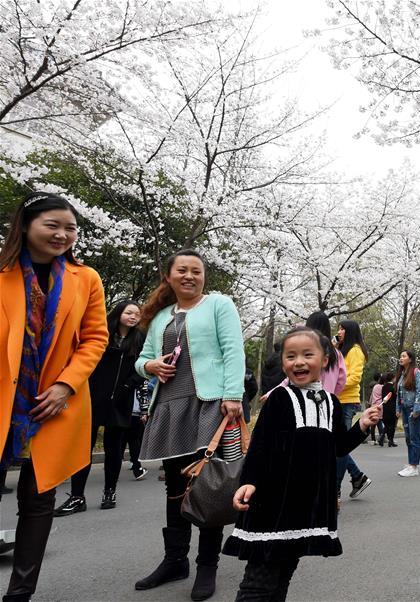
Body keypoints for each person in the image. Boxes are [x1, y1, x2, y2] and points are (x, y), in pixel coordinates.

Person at [0, 192, 108, 602]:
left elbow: (96, 337)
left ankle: (19, 594)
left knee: (38, 498)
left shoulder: (87, 279)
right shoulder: (3, 271)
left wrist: (67, 384)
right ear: (26, 226)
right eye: (53, 225)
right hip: (4, 400)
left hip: (55, 403)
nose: (63, 234)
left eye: (71, 228)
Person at [223, 326, 381, 601]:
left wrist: (362, 425)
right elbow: (259, 445)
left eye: (308, 354)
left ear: (325, 360)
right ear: (283, 362)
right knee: (259, 580)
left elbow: (339, 447)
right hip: (272, 503)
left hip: (305, 506)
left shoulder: (331, 402)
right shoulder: (279, 399)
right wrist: (248, 481)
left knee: (284, 572)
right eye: (290, 356)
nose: (298, 362)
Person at [133, 249, 245, 601]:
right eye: (181, 270)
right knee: (175, 487)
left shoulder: (218, 305)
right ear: (169, 276)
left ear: (203, 277)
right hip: (168, 407)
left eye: (196, 271)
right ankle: (175, 560)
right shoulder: (161, 315)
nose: (189, 276)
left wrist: (233, 394)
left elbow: (233, 350)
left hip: (210, 404)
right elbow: (142, 359)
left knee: (208, 485)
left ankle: (206, 566)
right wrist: (150, 367)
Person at [54, 299, 146, 517]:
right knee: (82, 449)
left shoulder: (140, 339)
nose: (133, 317)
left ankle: (110, 492)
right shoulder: (101, 333)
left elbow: (143, 366)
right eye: (129, 313)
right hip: (93, 397)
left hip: (122, 399)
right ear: (118, 313)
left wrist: (127, 385)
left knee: (114, 449)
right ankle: (77, 497)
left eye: (136, 314)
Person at [335, 319, 371, 502]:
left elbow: (354, 377)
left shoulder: (355, 350)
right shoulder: (342, 349)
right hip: (337, 400)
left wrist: (335, 384)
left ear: (349, 331)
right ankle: (357, 477)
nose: (339, 331)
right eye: (338, 328)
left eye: (342, 329)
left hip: (346, 401)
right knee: (338, 445)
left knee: (340, 447)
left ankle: (336, 489)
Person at [395, 350, 420, 476]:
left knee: (414, 438)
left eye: (403, 356)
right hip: (405, 409)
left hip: (414, 410)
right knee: (408, 438)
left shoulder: (416, 372)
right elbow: (399, 393)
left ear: (410, 359)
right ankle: (411, 463)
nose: (401, 358)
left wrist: (417, 410)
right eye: (400, 356)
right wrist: (398, 409)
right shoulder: (402, 373)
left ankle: (414, 467)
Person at [379, 372, 398, 447]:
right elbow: (395, 397)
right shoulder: (393, 387)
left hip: (385, 407)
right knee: (392, 425)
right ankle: (391, 440)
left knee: (387, 424)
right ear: (393, 378)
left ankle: (382, 437)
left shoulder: (383, 387)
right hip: (393, 407)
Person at [368, 373, 385, 444]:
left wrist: (369, 404)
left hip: (373, 405)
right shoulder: (382, 387)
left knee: (373, 423)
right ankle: (381, 438)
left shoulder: (375, 387)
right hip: (380, 406)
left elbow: (372, 396)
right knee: (379, 422)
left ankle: (373, 439)